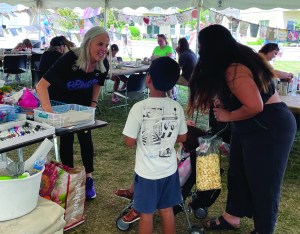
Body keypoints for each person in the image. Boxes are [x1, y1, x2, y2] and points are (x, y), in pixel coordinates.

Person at [187, 24, 296, 233]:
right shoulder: (234, 61)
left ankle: (264, 229)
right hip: (248, 125)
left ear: (213, 48)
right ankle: (232, 217)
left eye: (201, 47)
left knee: (264, 184)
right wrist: (225, 104)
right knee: (237, 172)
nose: (199, 52)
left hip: (270, 126)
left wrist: (228, 115)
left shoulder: (235, 68)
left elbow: (255, 105)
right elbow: (244, 97)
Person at [36, 26, 110, 200]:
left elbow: (98, 83)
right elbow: (41, 86)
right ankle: (68, 179)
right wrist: (50, 113)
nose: (104, 49)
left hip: (83, 105)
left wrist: (93, 104)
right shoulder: (70, 58)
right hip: (62, 104)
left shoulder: (103, 61)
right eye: (100, 43)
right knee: (67, 139)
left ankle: (89, 179)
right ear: (88, 42)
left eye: (106, 45)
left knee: (86, 138)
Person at [122, 57, 187, 233]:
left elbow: (128, 142)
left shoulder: (139, 107)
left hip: (146, 173)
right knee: (167, 210)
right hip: (169, 170)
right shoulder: (177, 107)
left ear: (148, 78)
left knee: (146, 214)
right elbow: (183, 136)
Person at [151, 34, 176, 100]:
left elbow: (169, 59)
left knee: (165, 80)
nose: (159, 43)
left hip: (166, 69)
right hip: (156, 68)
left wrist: (158, 57)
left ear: (165, 40)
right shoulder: (156, 48)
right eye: (158, 41)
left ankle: (171, 97)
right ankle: (161, 95)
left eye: (161, 41)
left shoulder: (169, 48)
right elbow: (152, 57)